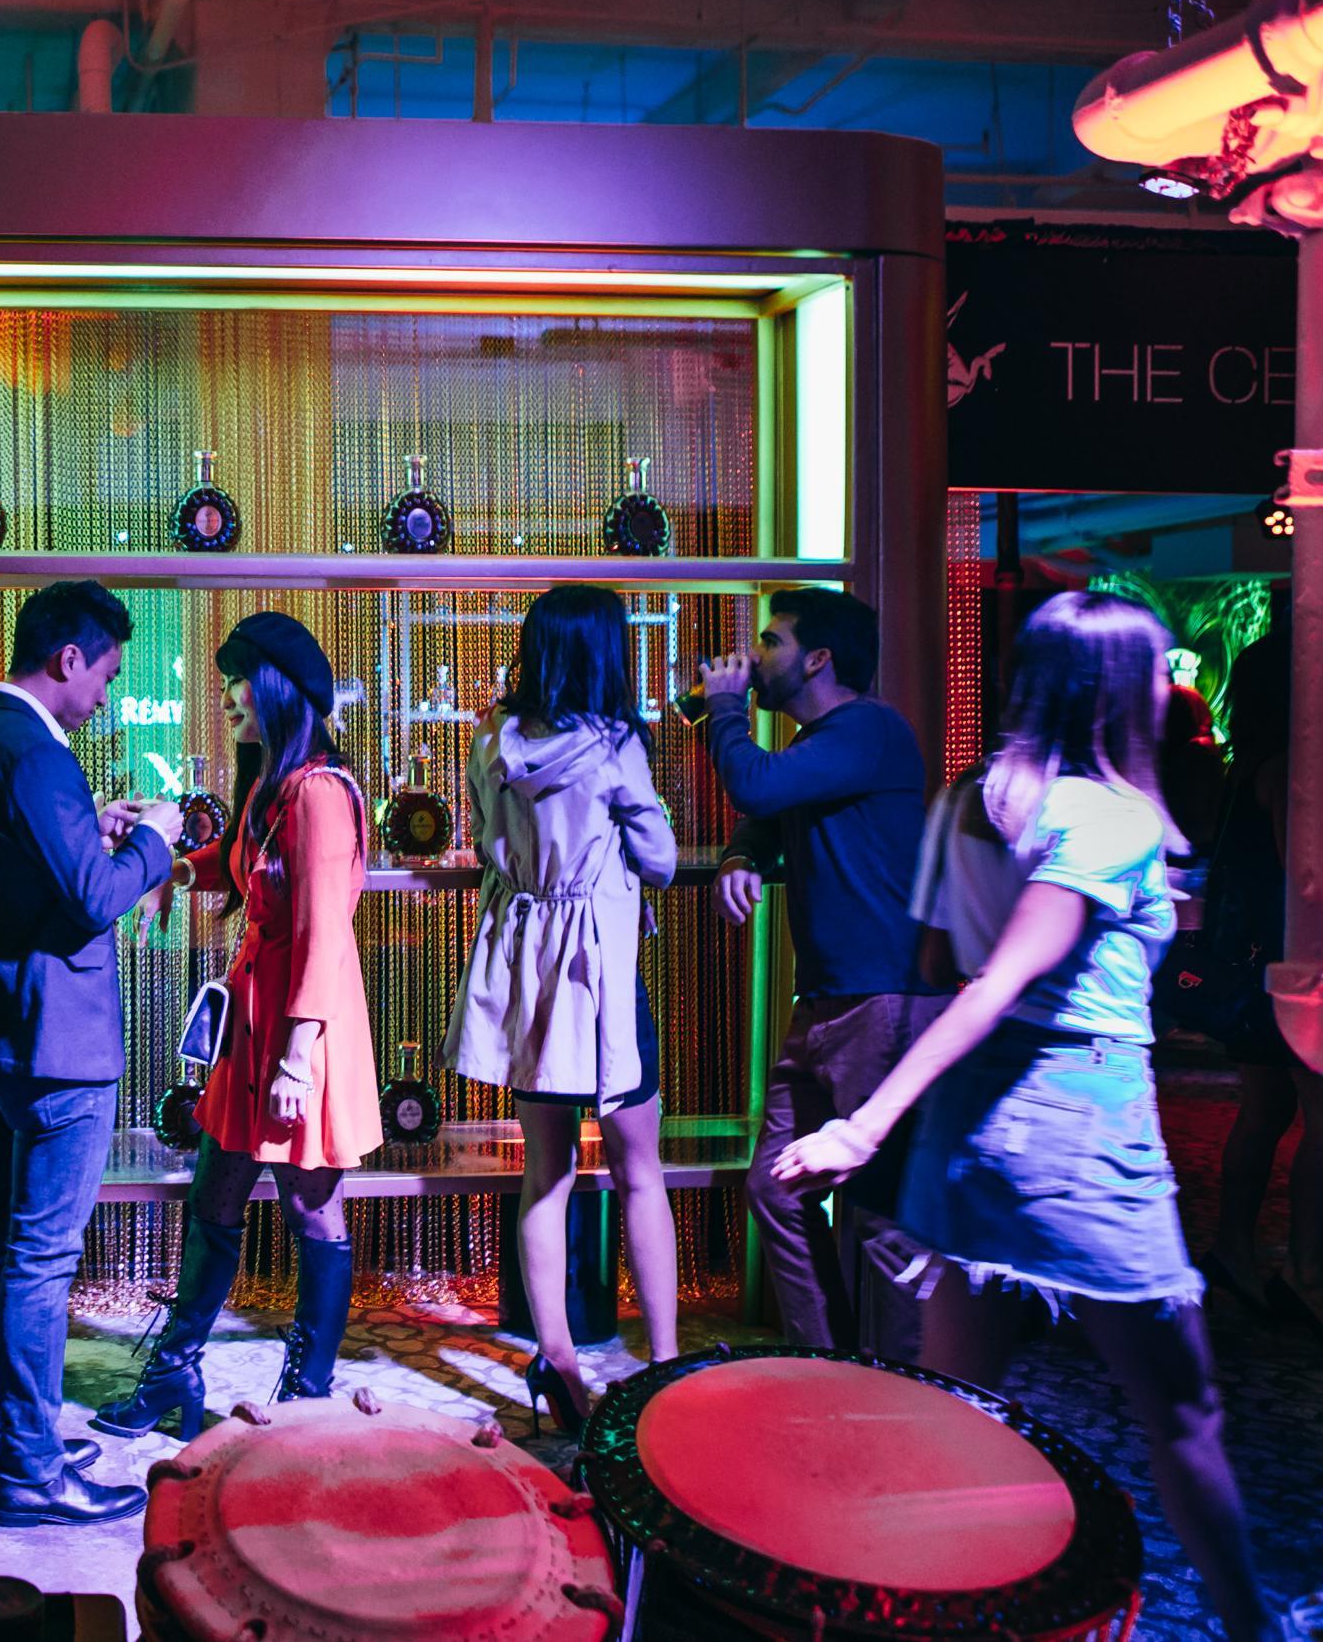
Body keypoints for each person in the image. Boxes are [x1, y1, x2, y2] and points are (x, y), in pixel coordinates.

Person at [776, 591, 1279, 1642]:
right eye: (1154, 669)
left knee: (956, 1418)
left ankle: (894, 1615)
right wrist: (863, 1126)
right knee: (1183, 1413)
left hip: (968, 1134)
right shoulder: (1107, 815)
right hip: (1075, 1123)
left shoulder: (967, 797)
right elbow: (996, 980)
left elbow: (935, 958)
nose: (1167, 686)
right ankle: (1254, 1629)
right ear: (1112, 688)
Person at [94, 612, 381, 1441]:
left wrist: (297, 1060)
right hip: (254, 1027)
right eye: (224, 681)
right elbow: (240, 863)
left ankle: (307, 1395)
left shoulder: (320, 792)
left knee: (312, 1210)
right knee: (213, 1194)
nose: (225, 696)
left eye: (238, 679)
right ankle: (175, 1375)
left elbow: (325, 935)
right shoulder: (273, 783)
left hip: (300, 1032)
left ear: (279, 688)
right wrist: (178, 869)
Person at [0, 580, 179, 1527]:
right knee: (39, 1257)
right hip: (57, 1049)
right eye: (106, 675)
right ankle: (32, 1470)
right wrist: (151, 842)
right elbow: (93, 898)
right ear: (67, 659)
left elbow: (27, 869)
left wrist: (91, 824)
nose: (108, 696)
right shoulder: (38, 752)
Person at [443, 586, 679, 1435]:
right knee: (640, 1169)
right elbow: (660, 858)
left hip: (527, 972)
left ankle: (558, 1361)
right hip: (600, 973)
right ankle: (665, 1365)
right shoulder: (615, 745)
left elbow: (483, 838)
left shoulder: (489, 737)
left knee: (545, 1172)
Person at [701, 587, 948, 1354]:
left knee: (880, 1210)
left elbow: (758, 784)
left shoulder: (870, 728)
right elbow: (767, 813)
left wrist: (725, 707)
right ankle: (828, 1365)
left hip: (883, 1000)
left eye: (770, 642)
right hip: (827, 1002)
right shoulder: (824, 746)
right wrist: (741, 856)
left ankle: (903, 1388)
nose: (754, 657)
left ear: (817, 659)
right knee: (776, 1186)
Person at [1201, 631, 1322, 1333]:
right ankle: (1307, 1275)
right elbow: (1303, 876)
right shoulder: (1289, 769)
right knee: (1316, 1118)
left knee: (1265, 1109)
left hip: (1251, 968)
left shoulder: (1244, 767)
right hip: (1292, 967)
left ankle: (1233, 1249)